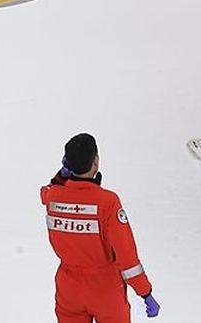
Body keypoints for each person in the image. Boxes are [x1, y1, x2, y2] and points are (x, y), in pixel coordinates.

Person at [44, 133, 160, 321]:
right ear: (95, 162)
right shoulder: (107, 202)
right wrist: (145, 292)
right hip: (105, 288)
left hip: (68, 288)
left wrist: (61, 175)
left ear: (67, 163)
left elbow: (46, 190)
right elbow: (126, 254)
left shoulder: (52, 197)